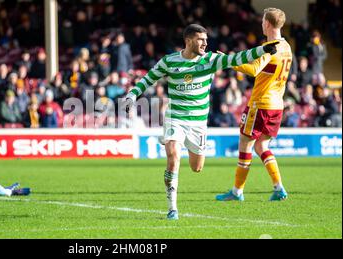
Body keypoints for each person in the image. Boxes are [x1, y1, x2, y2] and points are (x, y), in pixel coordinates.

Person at [124, 24, 279, 220]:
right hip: (175, 118)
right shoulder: (169, 61)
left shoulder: (210, 60)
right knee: (173, 157)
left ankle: (180, 157)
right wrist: (131, 95)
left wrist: (262, 50)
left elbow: (236, 58)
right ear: (188, 41)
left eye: (206, 39)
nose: (205, 43)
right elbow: (147, 79)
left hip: (198, 124)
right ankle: (172, 208)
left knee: (196, 167)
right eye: (201, 39)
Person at [216, 8, 292, 202]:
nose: (261, 24)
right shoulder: (287, 47)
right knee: (262, 145)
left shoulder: (271, 46)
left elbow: (254, 69)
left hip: (261, 104)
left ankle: (237, 192)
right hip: (277, 104)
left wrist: (228, 61)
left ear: (267, 24)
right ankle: (279, 187)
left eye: (262, 21)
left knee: (245, 143)